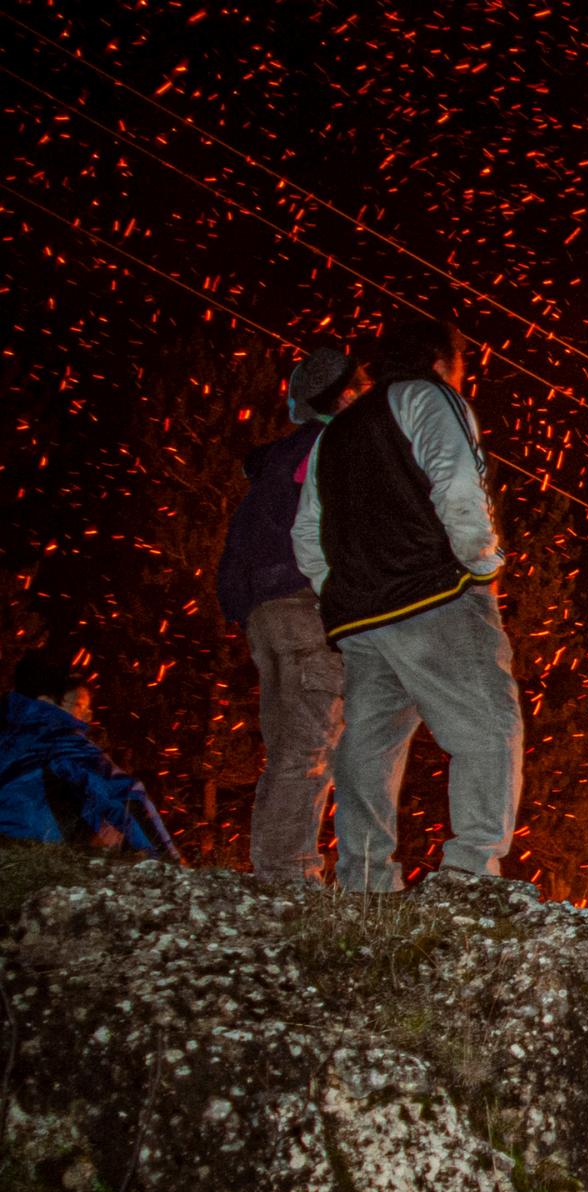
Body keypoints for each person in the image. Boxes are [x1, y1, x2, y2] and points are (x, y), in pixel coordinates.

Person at [291, 317, 523, 891]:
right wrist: (481, 562)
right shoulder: (429, 396)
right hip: (434, 594)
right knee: (488, 727)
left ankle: (365, 878)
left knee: (370, 744)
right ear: (445, 360)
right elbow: (458, 482)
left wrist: (344, 589)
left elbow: (306, 534)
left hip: (362, 617)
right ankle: (473, 870)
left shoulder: (336, 431)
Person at [218, 344, 362, 882]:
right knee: (311, 744)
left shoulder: (281, 459)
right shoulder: (338, 444)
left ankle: (274, 864)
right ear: (345, 394)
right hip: (306, 602)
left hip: (264, 608)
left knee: (286, 745)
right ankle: (288, 872)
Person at [0, 655, 175, 856]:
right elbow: (123, 795)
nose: (88, 716)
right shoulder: (57, 737)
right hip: (37, 855)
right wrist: (167, 860)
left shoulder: (9, 734)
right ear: (46, 702)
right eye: (77, 704)